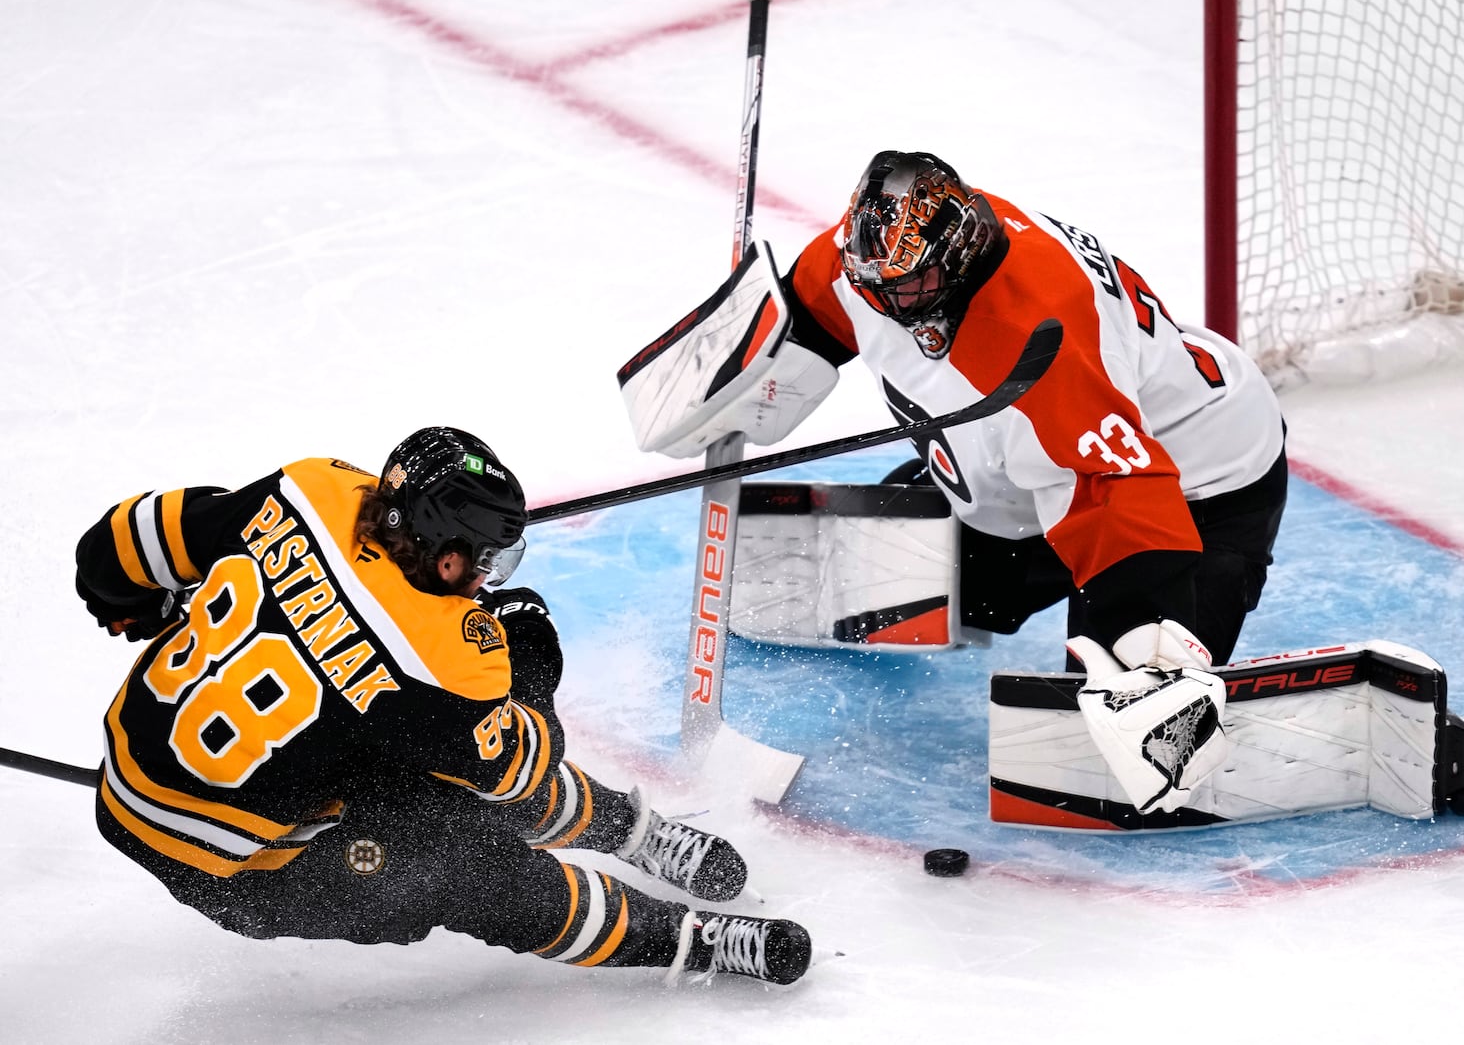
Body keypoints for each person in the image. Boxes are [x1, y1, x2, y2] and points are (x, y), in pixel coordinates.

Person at [75, 425, 810, 985]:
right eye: (486, 561)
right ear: (445, 551)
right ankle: (685, 936)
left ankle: (633, 831)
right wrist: (531, 647)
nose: (488, 578)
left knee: (416, 755)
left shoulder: (310, 489)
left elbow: (119, 544)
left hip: (131, 775)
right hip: (242, 874)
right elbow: (523, 761)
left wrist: (128, 604)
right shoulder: (440, 655)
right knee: (462, 863)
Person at [766, 151, 1288, 812]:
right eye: (876, 287)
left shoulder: (1044, 331)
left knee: (1108, 753)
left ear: (959, 256)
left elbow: (1115, 487)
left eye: (910, 287)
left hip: (1192, 487)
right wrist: (735, 359)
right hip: (1039, 477)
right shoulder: (877, 261)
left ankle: (1188, 705)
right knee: (898, 566)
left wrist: (1139, 642)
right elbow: (810, 308)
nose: (889, 305)